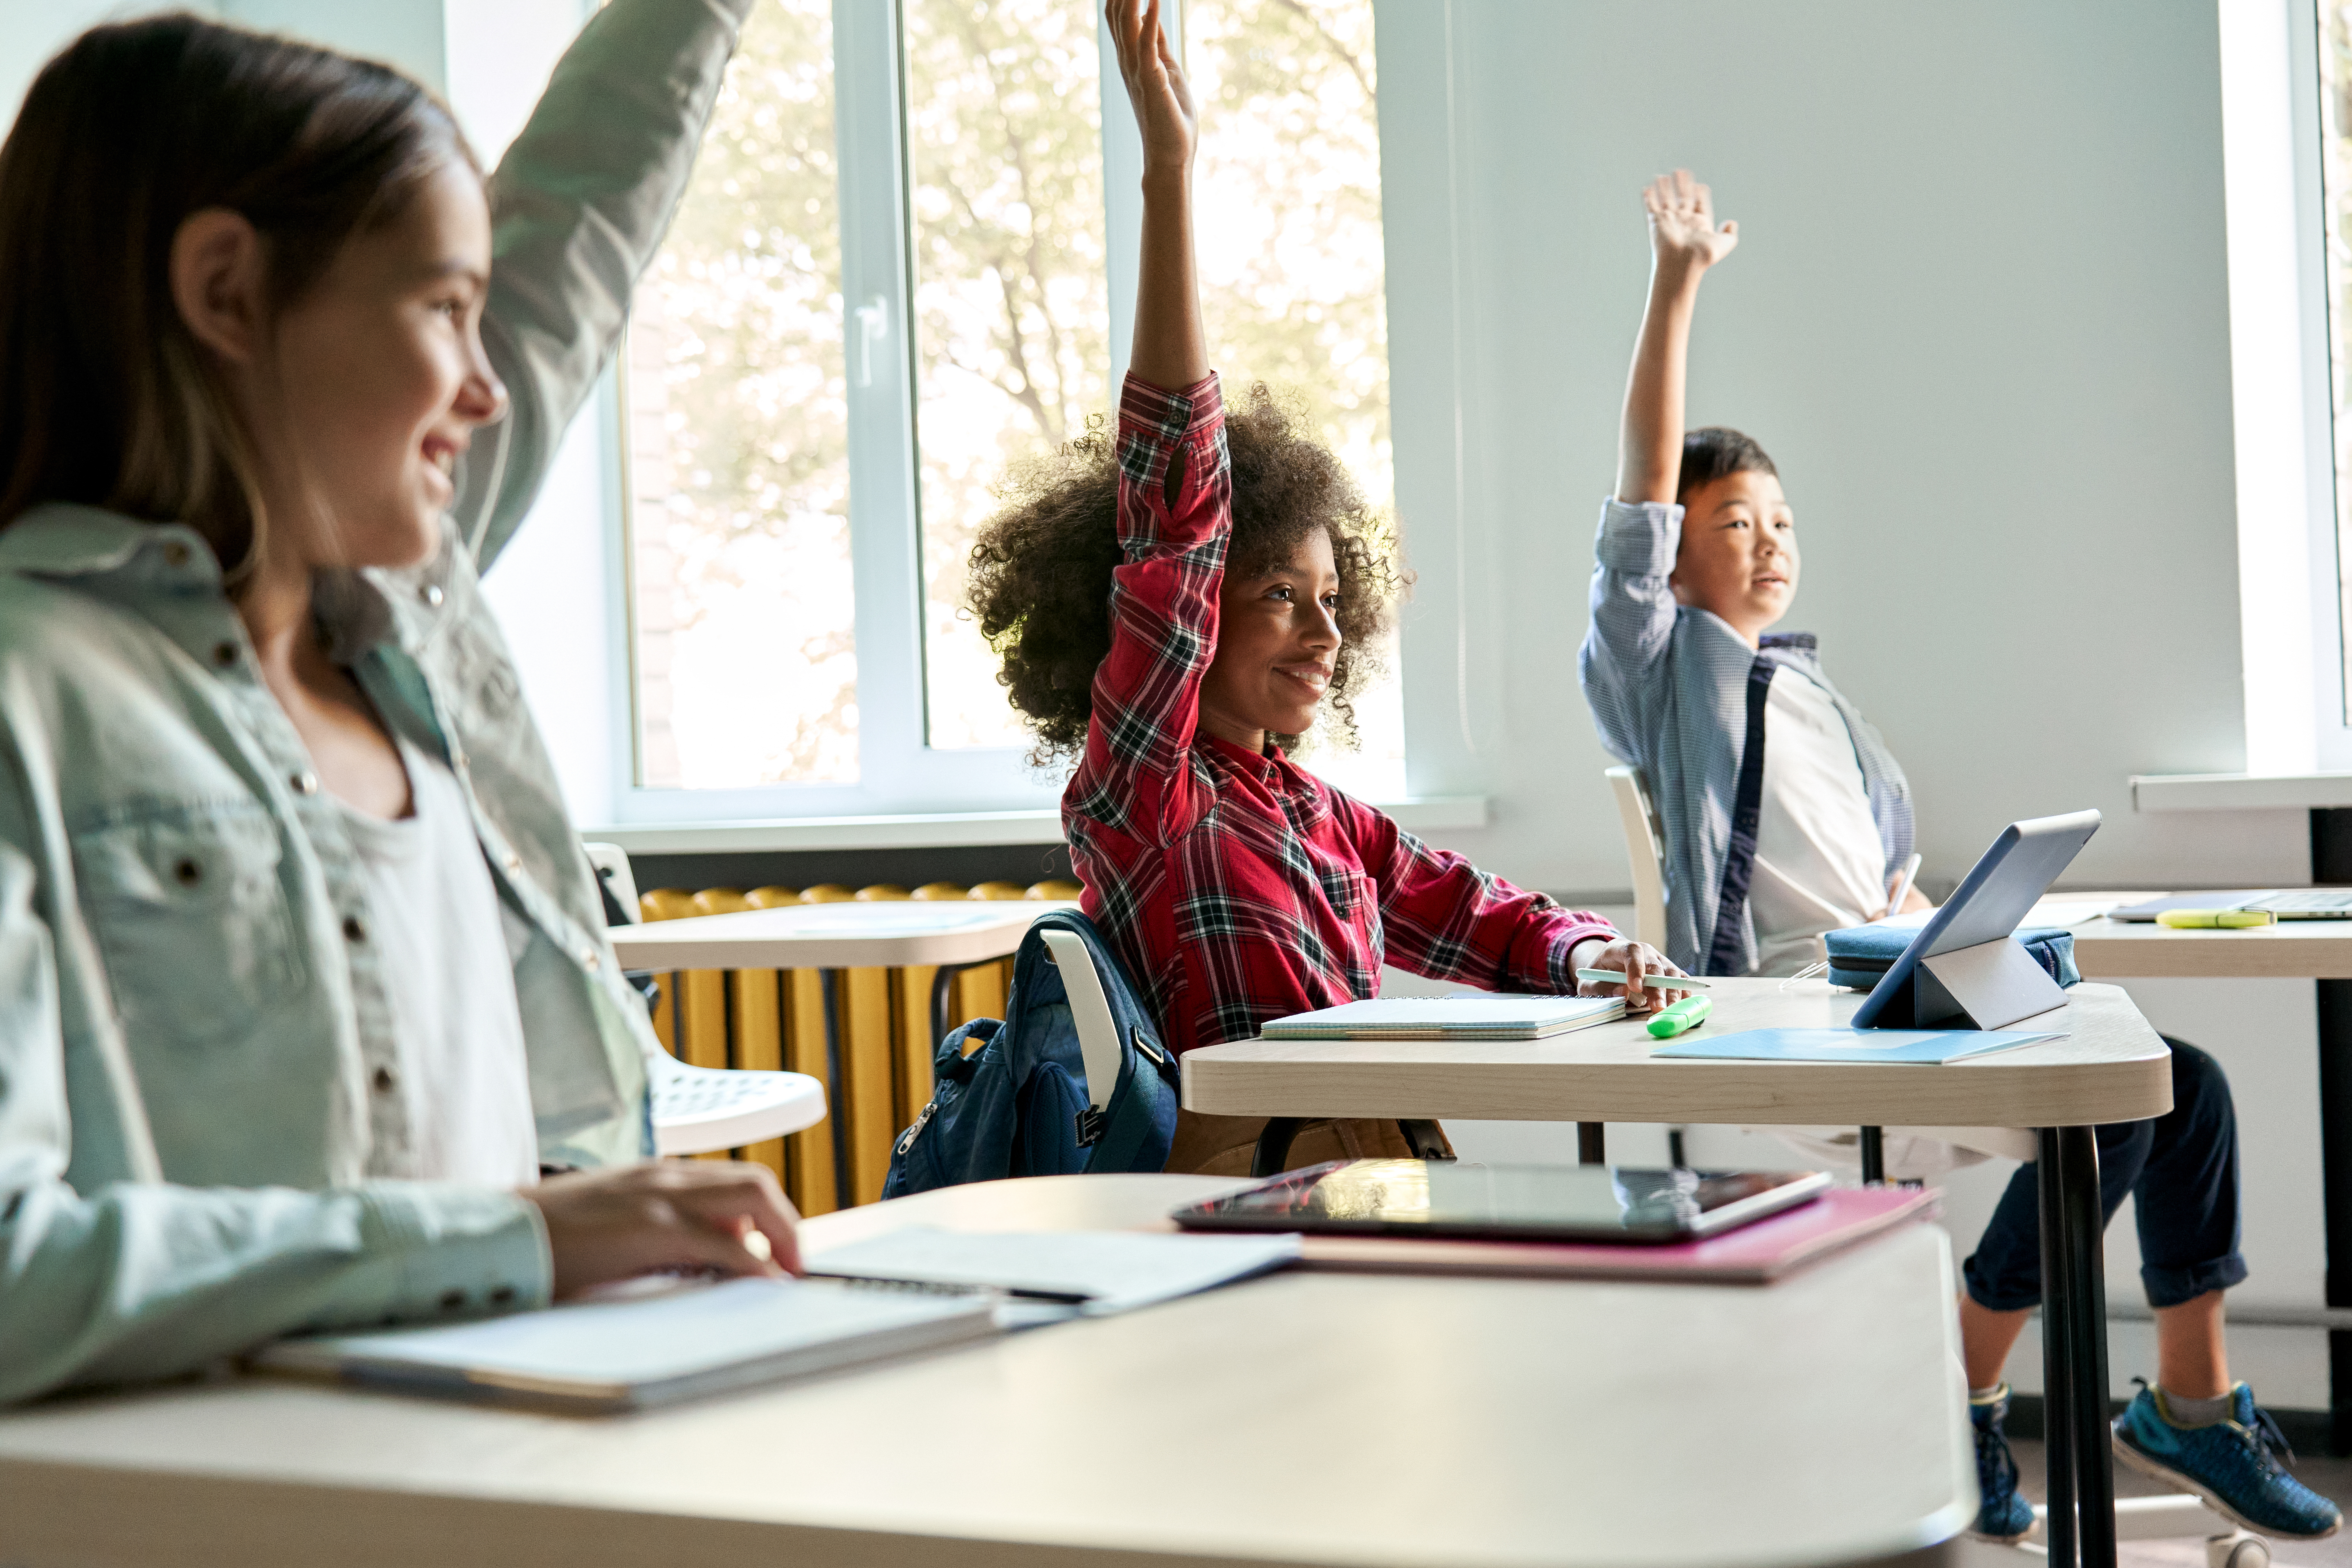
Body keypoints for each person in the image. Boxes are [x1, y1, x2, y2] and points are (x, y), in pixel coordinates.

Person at [0, 2, 804, 1408]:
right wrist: (510, 1240)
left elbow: (580, 234)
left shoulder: (408, 626)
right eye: (443, 308)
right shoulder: (30, 679)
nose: (490, 387)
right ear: (228, 292)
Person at [1577, 170, 2339, 1542]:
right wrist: (1677, 283)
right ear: (1671, 561)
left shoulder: (1819, 702)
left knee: (2183, 1085)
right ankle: (1976, 1395)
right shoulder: (1661, 669)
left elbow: (1883, 883)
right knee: (2112, 1102)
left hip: (1886, 988)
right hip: (1791, 1018)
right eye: (1730, 522)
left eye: (1783, 521)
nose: (1766, 543)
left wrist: (1951, 925)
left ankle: (2188, 1401)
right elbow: (1635, 502)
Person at [962, 0, 1682, 1179]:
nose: (1325, 628)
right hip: (1264, 1207)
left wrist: (1591, 955)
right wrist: (1168, 178)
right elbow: (1180, 513)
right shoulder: (1149, 797)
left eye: (1334, 596)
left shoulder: (1321, 815)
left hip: (1381, 1184)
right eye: (1282, 594)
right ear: (1200, 618)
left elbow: (1481, 911)